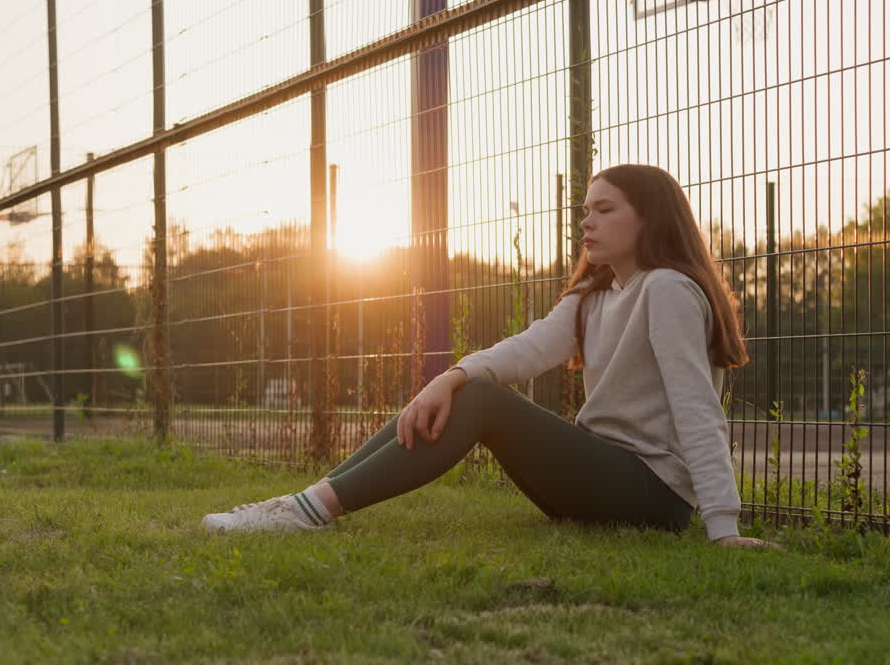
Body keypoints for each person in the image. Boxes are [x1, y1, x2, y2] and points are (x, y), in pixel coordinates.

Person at [204, 164, 779, 549]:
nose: (586, 222)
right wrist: (450, 376)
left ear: (648, 218)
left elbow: (697, 407)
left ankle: (305, 513)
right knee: (462, 387)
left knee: (477, 397)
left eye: (604, 210)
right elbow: (527, 350)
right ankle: (304, 502)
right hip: (597, 479)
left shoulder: (668, 290)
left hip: (652, 495)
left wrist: (722, 526)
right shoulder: (596, 294)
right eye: (585, 210)